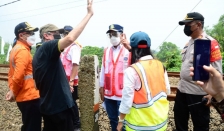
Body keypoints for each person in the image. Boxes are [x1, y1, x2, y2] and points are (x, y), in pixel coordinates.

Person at [32, 1, 93, 131]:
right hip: (59, 108)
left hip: (48, 107)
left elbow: (38, 83)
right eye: (56, 33)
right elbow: (70, 39)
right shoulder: (48, 47)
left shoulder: (38, 54)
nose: (59, 35)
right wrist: (89, 14)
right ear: (46, 35)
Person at [174, 12, 222, 131]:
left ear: (198, 25)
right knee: (179, 119)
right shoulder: (189, 42)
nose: (185, 27)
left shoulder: (210, 43)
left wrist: (211, 94)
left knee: (200, 124)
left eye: (188, 24)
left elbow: (218, 71)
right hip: (182, 89)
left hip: (198, 93)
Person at [117, 31, 170, 131]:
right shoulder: (160, 65)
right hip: (160, 123)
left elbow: (127, 101)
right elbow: (167, 90)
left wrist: (120, 121)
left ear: (132, 48)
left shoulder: (132, 70)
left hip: (139, 125)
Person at [6, 22, 41, 131]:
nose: (33, 35)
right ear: (21, 35)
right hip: (29, 95)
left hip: (25, 95)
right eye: (30, 33)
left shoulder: (16, 49)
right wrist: (13, 92)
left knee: (28, 124)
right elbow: (18, 75)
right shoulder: (22, 51)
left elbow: (11, 73)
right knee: (32, 127)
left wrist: (12, 89)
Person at [99, 24, 130, 131]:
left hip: (123, 93)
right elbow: (103, 70)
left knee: (124, 122)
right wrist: (101, 87)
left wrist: (130, 48)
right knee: (112, 119)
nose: (112, 37)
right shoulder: (106, 51)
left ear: (122, 35)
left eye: (115, 34)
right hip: (109, 93)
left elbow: (137, 65)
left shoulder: (128, 50)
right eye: (110, 34)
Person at [60, 25, 82, 130]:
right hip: (64, 80)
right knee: (66, 102)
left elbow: (75, 64)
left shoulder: (74, 47)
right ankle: (69, 122)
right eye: (63, 34)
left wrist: (71, 81)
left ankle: (76, 124)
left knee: (72, 102)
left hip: (70, 81)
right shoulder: (64, 48)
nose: (63, 36)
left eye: (65, 34)